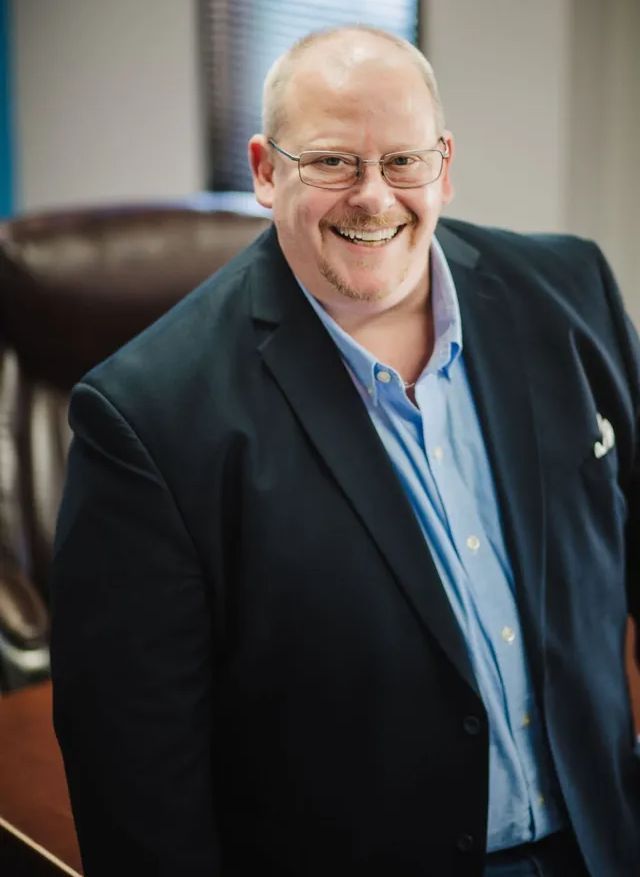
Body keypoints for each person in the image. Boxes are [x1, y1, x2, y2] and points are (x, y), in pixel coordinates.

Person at [50, 25, 639, 877]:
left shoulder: (569, 293)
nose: (373, 195)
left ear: (443, 163)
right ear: (263, 169)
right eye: (331, 162)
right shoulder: (146, 417)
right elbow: (138, 789)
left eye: (403, 161)